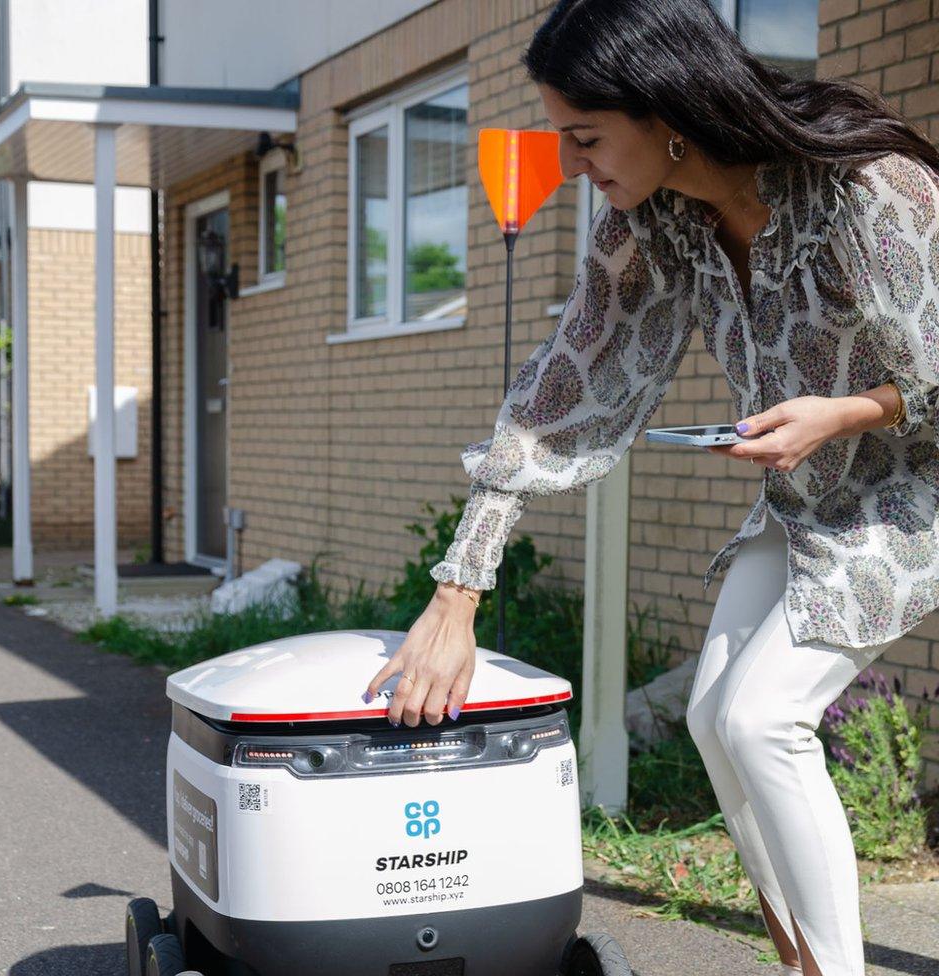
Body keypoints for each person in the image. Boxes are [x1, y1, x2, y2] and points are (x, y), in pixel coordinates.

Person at [360, 2, 939, 974]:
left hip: (909, 493)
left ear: (666, 112)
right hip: (802, 507)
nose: (572, 163)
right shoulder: (655, 220)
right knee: (716, 720)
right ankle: (801, 961)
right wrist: (456, 591)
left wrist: (839, 411)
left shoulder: (868, 188)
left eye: (584, 137)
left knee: (762, 719)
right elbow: (562, 387)